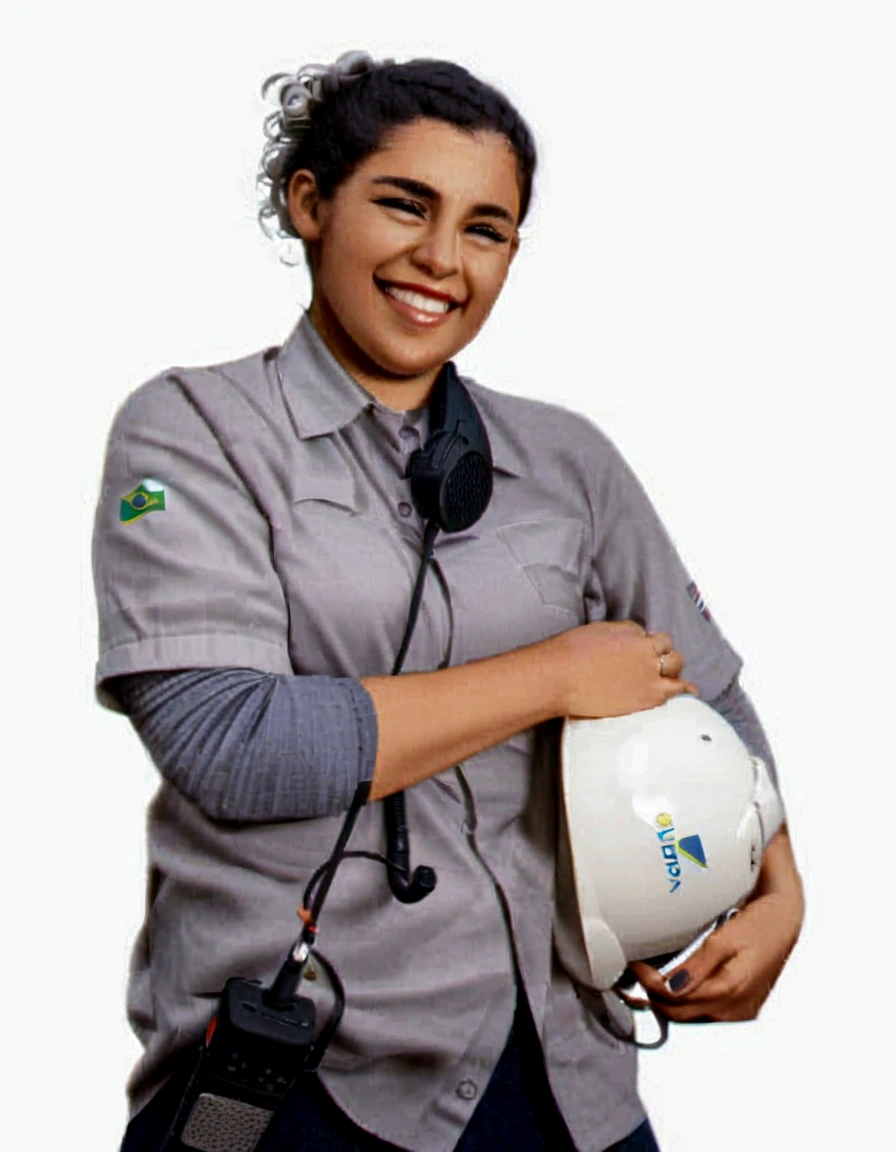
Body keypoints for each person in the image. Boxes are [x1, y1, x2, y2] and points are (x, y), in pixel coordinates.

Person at [93, 52, 805, 1152]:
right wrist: (553, 675)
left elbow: (706, 694)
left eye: (485, 228)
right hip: (306, 1078)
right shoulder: (191, 432)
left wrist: (778, 890)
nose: (440, 258)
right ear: (309, 203)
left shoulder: (568, 460)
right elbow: (228, 745)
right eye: (403, 204)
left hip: (568, 1071)